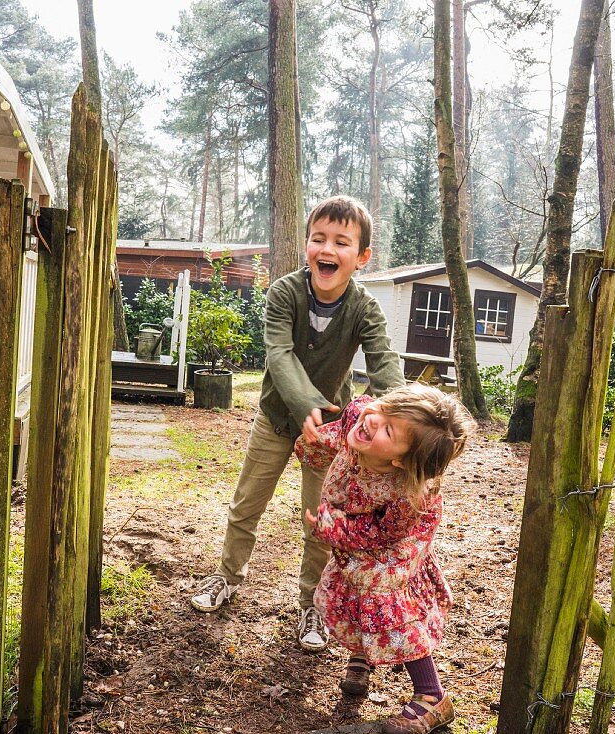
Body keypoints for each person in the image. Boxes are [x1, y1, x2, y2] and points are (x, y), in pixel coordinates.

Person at [188, 195, 405, 652]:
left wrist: (392, 410)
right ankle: (226, 577)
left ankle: (312, 606)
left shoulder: (364, 308)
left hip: (330, 434)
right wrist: (305, 401)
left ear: (361, 257)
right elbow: (279, 354)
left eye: (341, 242)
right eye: (318, 238)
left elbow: (384, 362)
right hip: (275, 418)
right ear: (307, 245)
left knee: (321, 521)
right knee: (247, 504)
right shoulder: (285, 292)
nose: (327, 249)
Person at [298, 383, 476, 734]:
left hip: (398, 539)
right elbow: (325, 446)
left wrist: (334, 527)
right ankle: (363, 654)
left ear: (399, 459)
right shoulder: (360, 417)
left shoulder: (408, 495)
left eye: (389, 429)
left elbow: (380, 534)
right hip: (354, 520)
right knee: (349, 582)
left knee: (381, 595)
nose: (373, 420)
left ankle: (432, 696)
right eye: (384, 408)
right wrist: (313, 440)